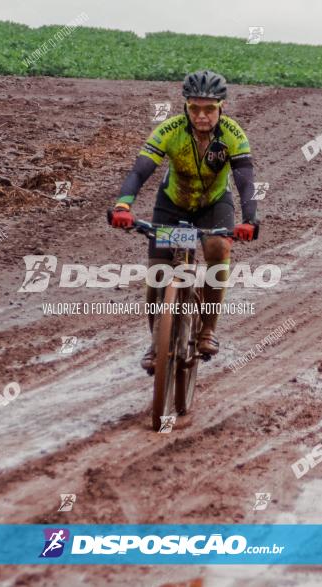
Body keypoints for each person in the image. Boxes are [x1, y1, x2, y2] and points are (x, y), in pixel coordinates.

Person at [109, 70, 260, 372]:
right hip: (172, 206)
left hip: (214, 205)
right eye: (195, 108)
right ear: (185, 107)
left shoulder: (233, 135)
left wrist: (250, 219)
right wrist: (123, 205)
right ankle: (157, 342)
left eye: (209, 109)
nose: (202, 116)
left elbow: (244, 180)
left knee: (218, 249)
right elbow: (140, 171)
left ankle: (208, 329)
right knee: (158, 273)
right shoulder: (170, 131)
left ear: (222, 107)